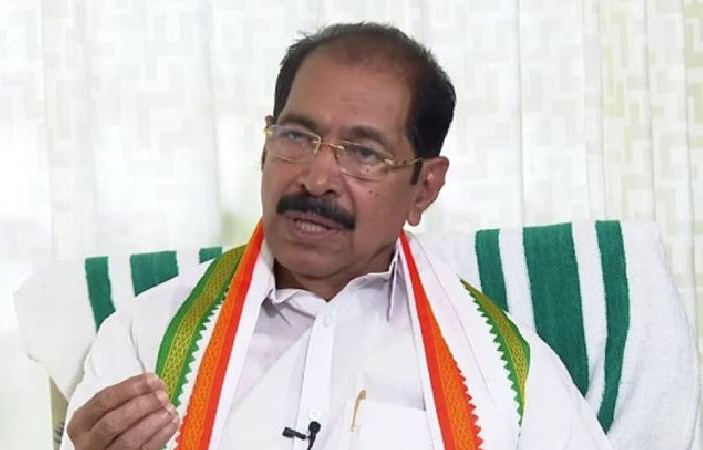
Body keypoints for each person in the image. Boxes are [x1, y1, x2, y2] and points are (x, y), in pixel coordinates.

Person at [61, 22, 611, 450]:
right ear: (264, 147)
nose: (316, 177)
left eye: (365, 153)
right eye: (296, 136)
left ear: (424, 188)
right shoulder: (147, 339)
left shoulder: (508, 379)